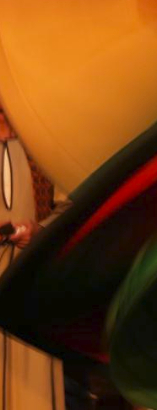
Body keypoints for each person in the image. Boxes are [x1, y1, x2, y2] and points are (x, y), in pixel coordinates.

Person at [0, 106, 65, 410]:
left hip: (29, 277)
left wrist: (39, 231)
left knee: (30, 389)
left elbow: (68, 207)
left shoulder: (43, 142)